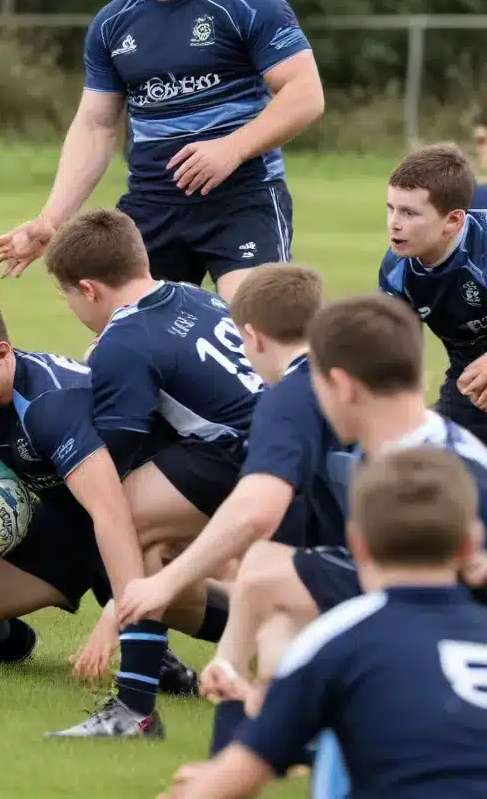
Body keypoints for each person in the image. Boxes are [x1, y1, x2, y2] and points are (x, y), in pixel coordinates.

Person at [0, 0, 323, 300]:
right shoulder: (112, 24)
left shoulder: (247, 4)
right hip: (152, 207)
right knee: (129, 344)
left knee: (253, 331)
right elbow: (96, 126)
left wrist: (231, 148)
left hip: (242, 202)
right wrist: (51, 220)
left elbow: (305, 94)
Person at [0, 292, 217, 740]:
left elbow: (112, 515)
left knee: (214, 610)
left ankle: (154, 647)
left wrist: (116, 620)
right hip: (60, 523)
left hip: (136, 524)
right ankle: (11, 639)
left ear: (1, 354)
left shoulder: (53, 402)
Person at [202, 294, 487, 717]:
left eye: (318, 385)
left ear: (345, 387)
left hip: (450, 626)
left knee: (265, 575)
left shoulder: (432, 473)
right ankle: (262, 711)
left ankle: (241, 701)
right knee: (279, 620)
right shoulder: (405, 449)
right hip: (425, 609)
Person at [35, 208, 262, 736]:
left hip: (238, 453)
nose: (70, 308)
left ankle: (135, 706)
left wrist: (112, 610)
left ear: (87, 289)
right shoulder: (194, 295)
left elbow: (110, 460)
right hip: (274, 440)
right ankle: (153, 682)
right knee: (152, 549)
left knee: (120, 522)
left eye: (66, 296)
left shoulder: (124, 341)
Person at [162, 445, 487, 799]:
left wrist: (203, 783)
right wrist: (260, 702)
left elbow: (234, 781)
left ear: (357, 544)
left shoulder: (341, 637)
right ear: (471, 546)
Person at [115, 264, 351, 632]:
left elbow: (255, 511)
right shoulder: (350, 375)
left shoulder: (284, 400)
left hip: (371, 577)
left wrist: (166, 582)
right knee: (260, 571)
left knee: (264, 592)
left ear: (254, 338)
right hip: (427, 555)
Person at [379, 143, 487, 442]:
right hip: (469, 387)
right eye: (391, 208)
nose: (394, 223)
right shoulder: (396, 273)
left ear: (453, 220)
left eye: (409, 213)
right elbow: (398, 361)